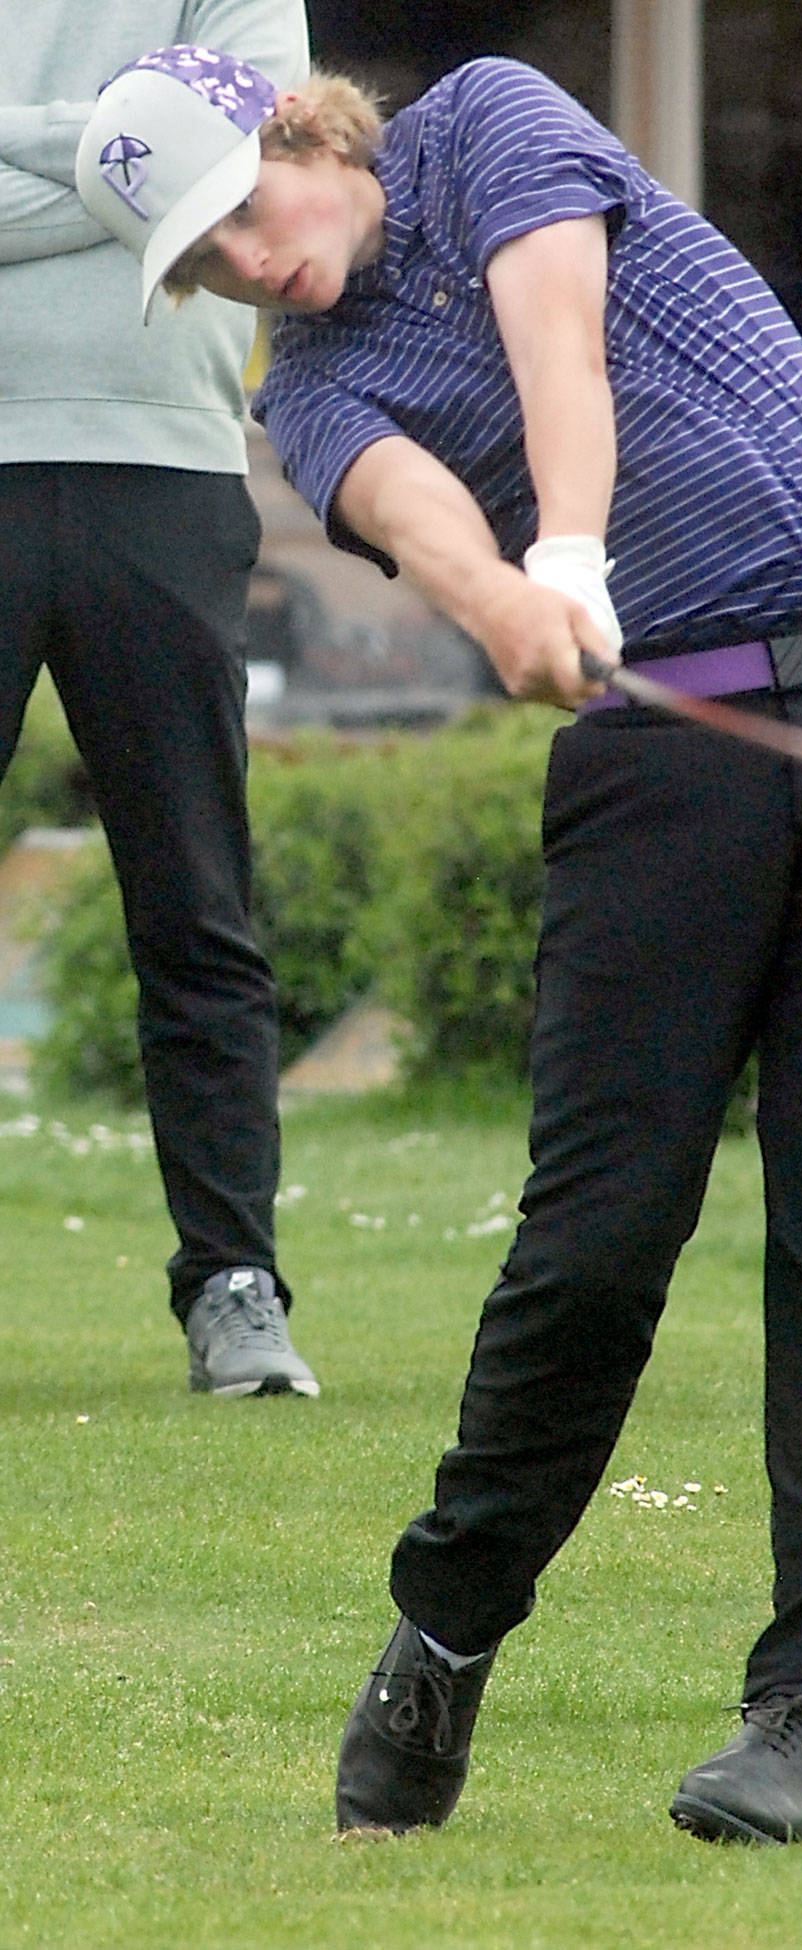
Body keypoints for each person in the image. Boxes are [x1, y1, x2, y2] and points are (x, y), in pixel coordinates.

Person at [80, 48, 802, 1842]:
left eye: (240, 216)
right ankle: (444, 1630)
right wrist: (515, 600)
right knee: (593, 1249)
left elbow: (556, 343)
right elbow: (426, 523)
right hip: (665, 771)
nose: (246, 269)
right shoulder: (315, 394)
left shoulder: (494, 121)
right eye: (201, 265)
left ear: (297, 136)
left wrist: (572, 542)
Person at [0, 6, 319, 1397]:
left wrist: (42, 155)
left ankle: (235, 1283)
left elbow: (242, 157)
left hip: (169, 469)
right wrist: (124, 170)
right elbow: (164, 172)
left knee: (196, 902)